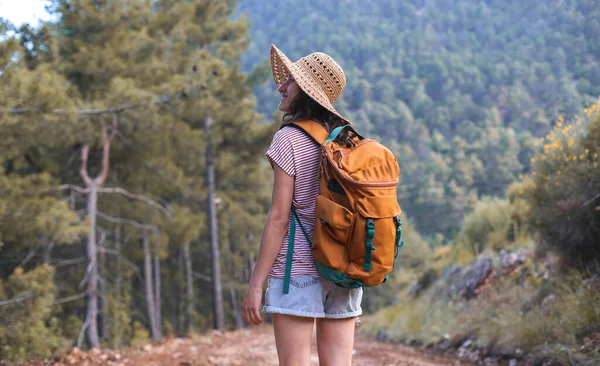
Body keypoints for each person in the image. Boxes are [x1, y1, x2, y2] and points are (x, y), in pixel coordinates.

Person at [242, 45, 362, 366]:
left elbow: (280, 219)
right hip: (342, 269)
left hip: (297, 271)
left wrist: (256, 285)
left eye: (291, 81)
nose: (281, 85)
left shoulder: (289, 138)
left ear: (307, 93)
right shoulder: (347, 139)